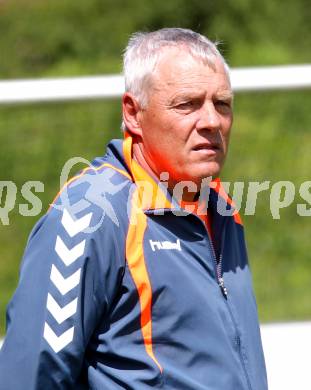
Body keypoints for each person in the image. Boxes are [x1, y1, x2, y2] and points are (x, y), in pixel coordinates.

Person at [0, 28, 268, 389]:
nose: (211, 122)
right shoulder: (90, 214)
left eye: (222, 103)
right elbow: (30, 375)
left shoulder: (223, 209)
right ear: (133, 113)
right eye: (187, 104)